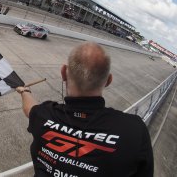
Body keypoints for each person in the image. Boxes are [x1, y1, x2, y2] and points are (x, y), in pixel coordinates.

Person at [16, 42, 153, 177]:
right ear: (108, 81)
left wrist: (25, 91)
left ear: (64, 73)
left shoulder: (43, 114)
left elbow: (29, 108)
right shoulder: (134, 130)